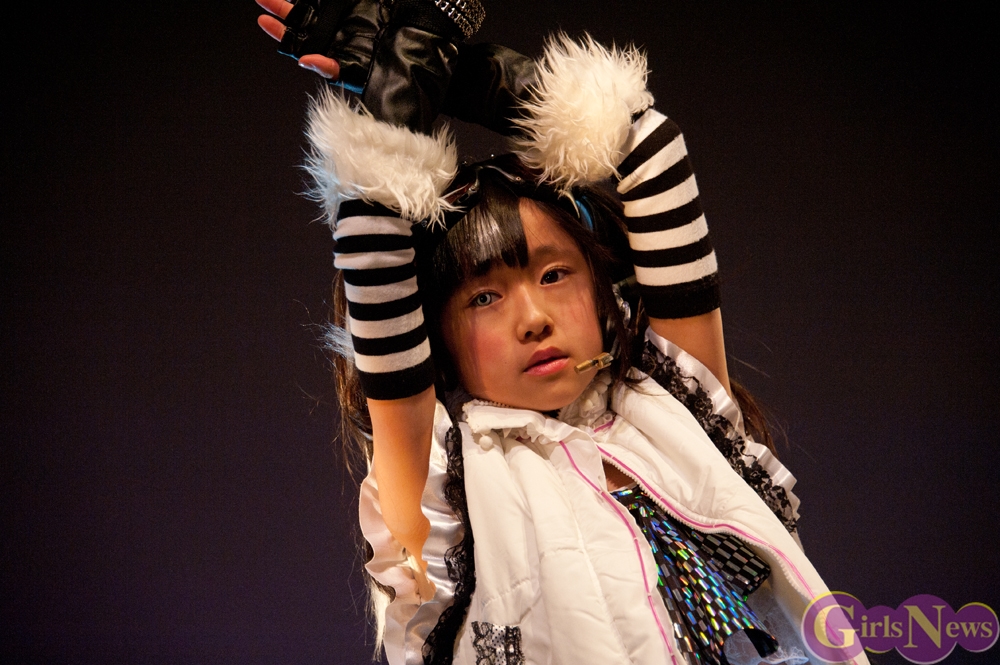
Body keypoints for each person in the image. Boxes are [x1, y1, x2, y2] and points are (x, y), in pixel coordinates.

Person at [257, 2, 869, 664]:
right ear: (437, 341)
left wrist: (458, 77)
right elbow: (378, 275)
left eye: (554, 275)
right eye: (484, 297)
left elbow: (647, 143)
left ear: (603, 292)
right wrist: (401, 86)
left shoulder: (672, 410)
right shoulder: (447, 496)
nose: (533, 318)